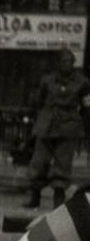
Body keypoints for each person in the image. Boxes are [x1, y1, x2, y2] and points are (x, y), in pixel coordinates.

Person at [24, 47, 90, 209]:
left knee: (63, 163)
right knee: (39, 162)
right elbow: (39, 101)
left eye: (69, 61)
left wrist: (83, 125)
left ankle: (58, 199)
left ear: (74, 63)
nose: (66, 64)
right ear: (57, 63)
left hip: (68, 126)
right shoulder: (47, 80)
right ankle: (35, 196)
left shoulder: (82, 82)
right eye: (63, 61)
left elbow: (86, 105)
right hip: (47, 124)